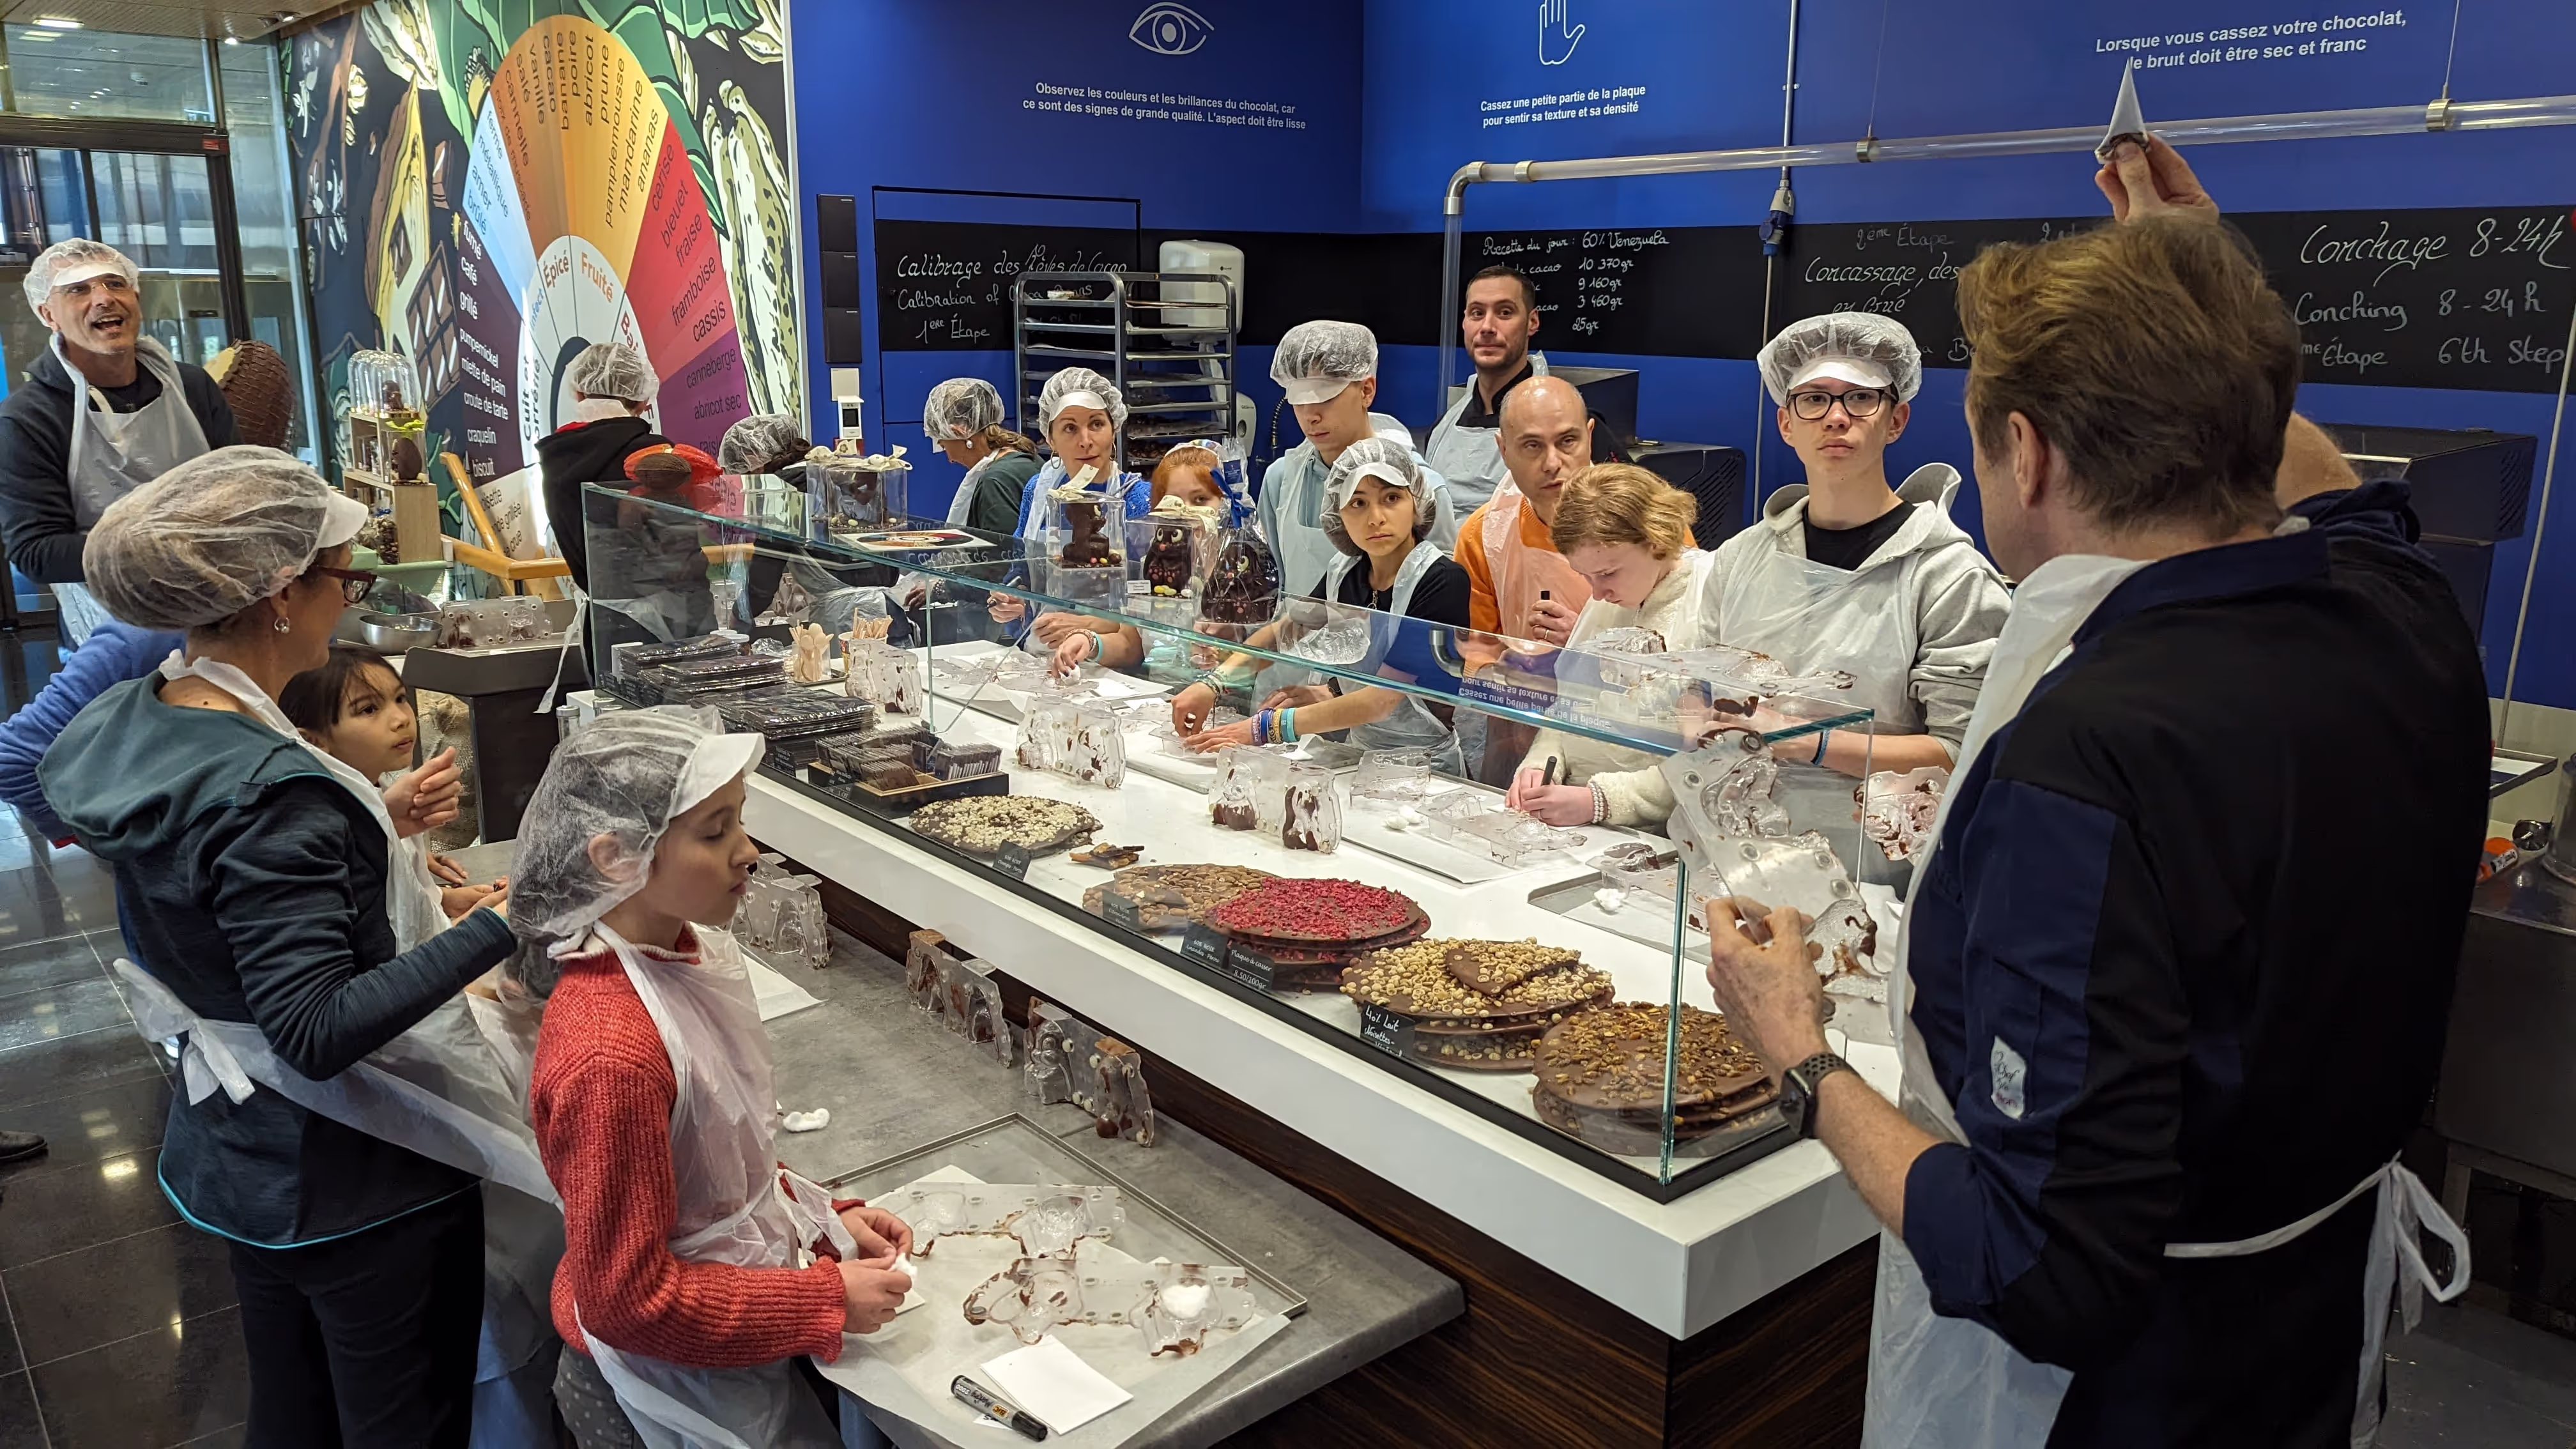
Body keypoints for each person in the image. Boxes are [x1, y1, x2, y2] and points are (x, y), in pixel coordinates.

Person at [1699, 215, 2489, 1446]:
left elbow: (2046, 1267)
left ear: (2025, 451)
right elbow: (2331, 493)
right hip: (2313, 1320)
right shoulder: (2402, 610)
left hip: (2131, 1391)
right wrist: (2191, 269)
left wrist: (1800, 1054)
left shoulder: (2083, 755)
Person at [40, 447, 520, 1448]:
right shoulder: (273, 796)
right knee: (402, 1418)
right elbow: (313, 1026)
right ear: (276, 595)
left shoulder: (152, 712)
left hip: (235, 1149)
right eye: (343, 580)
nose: (348, 603)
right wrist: (502, 924)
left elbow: (221, 889)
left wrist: (365, 826)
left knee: (294, 1410)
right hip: (354, 1171)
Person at [512, 708, 913, 1449]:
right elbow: (628, 1302)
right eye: (714, 830)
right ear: (616, 857)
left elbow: (716, 1152)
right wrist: (821, 1300)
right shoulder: (613, 1053)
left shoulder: (680, 957)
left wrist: (824, 1220)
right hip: (655, 1388)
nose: (748, 850)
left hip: (720, 1347)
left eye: (741, 822)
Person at [1692, 314, 2009, 843]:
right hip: (1725, 849)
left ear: (1897, 419)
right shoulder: (1740, 558)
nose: (1836, 417)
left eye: (1860, 398)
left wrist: (1810, 741)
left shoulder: (1947, 576)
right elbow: (1697, 686)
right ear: (1786, 424)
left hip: (1868, 876)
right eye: (1813, 399)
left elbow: (1966, 752)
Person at [1170, 437, 1471, 770]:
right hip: (1361, 757)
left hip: (1427, 768)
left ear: (1416, 504)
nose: (1376, 518)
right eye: (1358, 503)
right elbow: (1285, 630)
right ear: (1337, 514)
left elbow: (1381, 700)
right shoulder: (1345, 571)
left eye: (1392, 498)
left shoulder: (1442, 579)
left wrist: (1266, 728)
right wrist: (1214, 682)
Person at [0, 239, 238, 643]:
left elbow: (241, 485)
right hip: (112, 626)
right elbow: (36, 552)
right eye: (78, 289)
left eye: (114, 284)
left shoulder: (191, 387)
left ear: (136, 298)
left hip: (220, 607)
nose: (103, 299)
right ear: (47, 314)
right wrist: (162, 551)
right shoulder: (28, 419)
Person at [1503, 464, 1711, 829]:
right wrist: (1542, 761)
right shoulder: (1613, 598)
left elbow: (1715, 756)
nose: (1597, 593)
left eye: (1607, 574)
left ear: (1657, 541)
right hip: (1581, 820)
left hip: (1667, 836)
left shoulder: (1709, 602)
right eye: (1585, 576)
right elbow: (1570, 704)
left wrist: (1602, 801)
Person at [279, 645, 507, 921]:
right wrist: (481, 923)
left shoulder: (382, 793)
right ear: (314, 741)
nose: (401, 719)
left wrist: (442, 900)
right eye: (368, 709)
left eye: (400, 698)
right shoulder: (315, 830)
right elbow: (388, 945)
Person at [1255, 320, 1457, 604]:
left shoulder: (1421, 490)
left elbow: (1438, 599)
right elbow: (1273, 583)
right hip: (1294, 644)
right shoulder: (1281, 480)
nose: (1310, 415)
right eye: (1299, 399)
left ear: (1366, 391)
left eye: (1325, 397)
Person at [1422, 264, 1623, 515]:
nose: (1487, 327)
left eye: (1505, 313)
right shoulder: (1441, 430)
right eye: (1476, 313)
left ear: (1532, 322)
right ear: (1464, 322)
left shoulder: (1576, 428)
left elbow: (1634, 519)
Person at [985, 367, 1150, 648]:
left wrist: (1089, 624)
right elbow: (1020, 573)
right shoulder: (1038, 493)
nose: (1086, 440)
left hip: (1115, 663)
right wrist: (1015, 599)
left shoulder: (1138, 500)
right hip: (1043, 649)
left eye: (1096, 424)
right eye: (1070, 428)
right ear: (1051, 440)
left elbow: (1156, 607)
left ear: (1114, 430)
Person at [1045, 444, 1234, 683]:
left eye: (1200, 499)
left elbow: (1262, 652)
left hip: (1229, 708)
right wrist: (1089, 642)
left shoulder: (1239, 573)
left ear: (1226, 503)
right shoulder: (1151, 567)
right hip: (1160, 703)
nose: (1185, 513)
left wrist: (1227, 647)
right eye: (1173, 501)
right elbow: (1131, 643)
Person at [538, 342, 668, 593]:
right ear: (643, 401)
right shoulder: (657, 455)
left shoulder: (555, 456)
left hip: (599, 618)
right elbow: (679, 551)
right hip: (667, 618)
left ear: (578, 393)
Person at [921, 377, 1042, 534]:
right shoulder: (1026, 455)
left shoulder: (994, 483)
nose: (950, 459)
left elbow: (1002, 554)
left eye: (944, 447)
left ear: (959, 432)